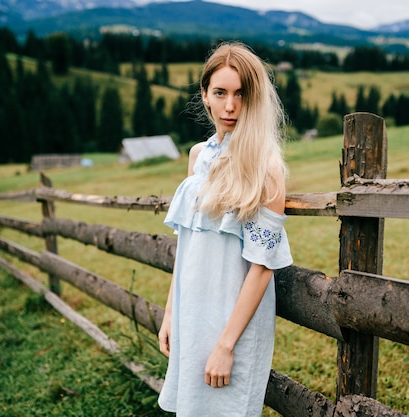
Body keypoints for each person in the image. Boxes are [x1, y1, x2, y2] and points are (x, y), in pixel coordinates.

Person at [157, 41, 293, 416]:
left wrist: (226, 345)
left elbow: (263, 266)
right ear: (205, 96)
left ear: (255, 98)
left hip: (233, 321)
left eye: (241, 94)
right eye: (220, 93)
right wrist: (171, 314)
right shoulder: (197, 157)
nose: (230, 106)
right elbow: (186, 243)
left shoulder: (266, 166)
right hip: (191, 311)